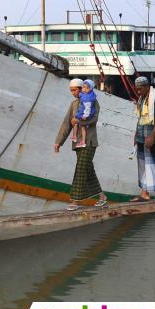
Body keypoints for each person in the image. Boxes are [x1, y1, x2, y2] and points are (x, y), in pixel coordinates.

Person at [55, 78, 108, 210]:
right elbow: (67, 123)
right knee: (88, 171)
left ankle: (75, 201)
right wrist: (58, 142)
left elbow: (94, 120)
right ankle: (102, 197)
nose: (72, 93)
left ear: (81, 88)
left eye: (74, 90)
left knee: (80, 170)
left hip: (89, 142)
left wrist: (78, 122)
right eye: (71, 90)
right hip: (77, 143)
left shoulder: (93, 101)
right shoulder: (73, 105)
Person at [72, 79, 97, 148]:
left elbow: (88, 108)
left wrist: (84, 116)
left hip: (85, 114)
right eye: (83, 87)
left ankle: (79, 139)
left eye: (87, 88)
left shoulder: (88, 98)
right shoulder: (86, 94)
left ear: (91, 88)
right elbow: (81, 94)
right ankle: (76, 138)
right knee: (79, 125)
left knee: (78, 124)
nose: (85, 89)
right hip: (84, 113)